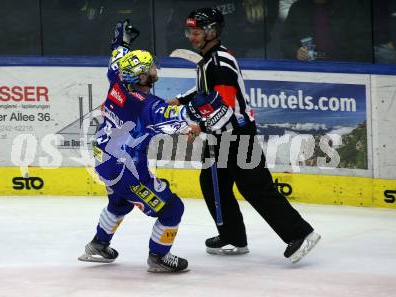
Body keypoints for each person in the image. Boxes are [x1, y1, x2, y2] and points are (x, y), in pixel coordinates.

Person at [169, 7, 320, 263]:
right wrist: (180, 99)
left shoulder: (219, 63)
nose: (191, 37)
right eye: (189, 31)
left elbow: (225, 107)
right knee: (212, 183)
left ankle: (301, 233)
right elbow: (206, 89)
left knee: (255, 187)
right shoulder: (210, 59)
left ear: (212, 32)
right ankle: (233, 237)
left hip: (237, 135)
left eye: (196, 32)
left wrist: (200, 127)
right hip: (221, 135)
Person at [78, 20, 200, 272]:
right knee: (172, 208)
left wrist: (121, 43)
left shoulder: (117, 80)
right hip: (128, 171)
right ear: (143, 76)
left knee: (119, 203)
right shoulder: (146, 104)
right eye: (152, 67)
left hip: (105, 161)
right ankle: (158, 257)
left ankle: (99, 245)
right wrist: (204, 111)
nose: (156, 68)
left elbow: (117, 57)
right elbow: (176, 116)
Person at [280, 0, 372, 62]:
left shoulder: (350, 6)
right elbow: (286, 41)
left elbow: (364, 42)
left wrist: (347, 62)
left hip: (345, 66)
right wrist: (296, 52)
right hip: (309, 66)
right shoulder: (298, 8)